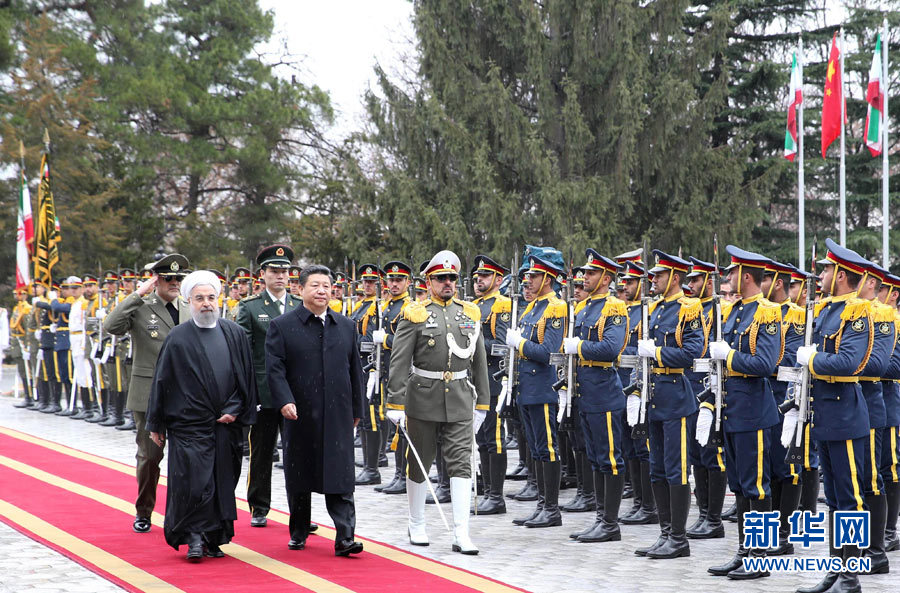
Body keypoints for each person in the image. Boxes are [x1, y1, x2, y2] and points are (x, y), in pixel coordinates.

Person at [147, 270, 257, 561]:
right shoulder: (178, 338)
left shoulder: (234, 333)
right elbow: (163, 381)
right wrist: (155, 423)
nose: (206, 303)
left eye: (210, 297)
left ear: (217, 300)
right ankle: (194, 537)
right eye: (199, 298)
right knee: (194, 483)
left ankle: (213, 537)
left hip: (226, 426)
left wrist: (235, 409)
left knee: (222, 482)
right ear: (189, 302)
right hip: (189, 424)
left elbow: (245, 378)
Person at [386, 250, 491, 554]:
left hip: (459, 398)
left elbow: (479, 362)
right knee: (420, 461)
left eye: (452, 278)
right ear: (428, 281)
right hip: (422, 397)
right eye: (441, 278)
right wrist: (394, 402)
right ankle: (416, 521)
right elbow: (399, 361)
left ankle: (461, 532)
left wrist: (482, 402)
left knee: (461, 463)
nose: (447, 283)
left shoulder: (469, 313)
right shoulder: (415, 313)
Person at [789, 239, 871, 593]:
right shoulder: (824, 310)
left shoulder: (857, 311)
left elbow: (849, 362)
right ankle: (837, 572)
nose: (820, 274)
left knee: (850, 498)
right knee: (835, 499)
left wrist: (813, 360)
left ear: (840, 275)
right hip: (824, 413)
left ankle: (850, 576)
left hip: (845, 413)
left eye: (825, 269)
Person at [266, 264, 365, 556]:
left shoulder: (345, 326)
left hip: (338, 413)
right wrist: (284, 400)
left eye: (326, 285)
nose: (321, 291)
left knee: (341, 474)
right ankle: (298, 530)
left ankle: (345, 536)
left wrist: (357, 407)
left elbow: (354, 370)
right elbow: (275, 369)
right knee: (300, 473)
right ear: (300, 289)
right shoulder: (283, 326)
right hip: (300, 412)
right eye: (315, 285)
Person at [704, 246, 781, 580]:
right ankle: (743, 552)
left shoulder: (767, 312)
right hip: (732, 410)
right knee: (739, 485)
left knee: (757, 487)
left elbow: (766, 364)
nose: (728, 277)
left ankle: (759, 558)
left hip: (753, 411)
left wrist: (730, 355)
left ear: (746, 276)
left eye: (732, 272)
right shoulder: (733, 310)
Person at [104, 254, 190, 534]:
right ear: (156, 280)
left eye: (179, 278)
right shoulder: (141, 306)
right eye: (169, 278)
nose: (175, 283)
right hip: (149, 393)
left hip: (186, 395)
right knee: (150, 456)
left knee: (186, 458)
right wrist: (137, 294)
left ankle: (182, 513)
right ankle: (144, 511)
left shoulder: (189, 308)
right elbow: (111, 326)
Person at [630, 250, 703, 560]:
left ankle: (679, 538)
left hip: (676, 395)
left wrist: (657, 353)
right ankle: (664, 533)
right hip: (655, 396)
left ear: (674, 277)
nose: (653, 279)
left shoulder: (689, 308)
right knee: (657, 469)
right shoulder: (656, 309)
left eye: (659, 275)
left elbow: (692, 352)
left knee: (675, 470)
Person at [236, 244, 301, 528]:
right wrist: (248, 391)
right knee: (261, 452)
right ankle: (259, 506)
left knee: (297, 453)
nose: (280, 276)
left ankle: (299, 509)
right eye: (274, 271)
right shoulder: (250, 307)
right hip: (263, 391)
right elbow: (244, 353)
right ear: (262, 274)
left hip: (294, 391)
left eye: (284, 271)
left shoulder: (300, 305)